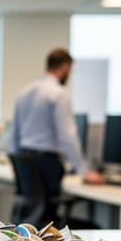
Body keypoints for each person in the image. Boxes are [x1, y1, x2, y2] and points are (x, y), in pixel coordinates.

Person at [10, 48, 105, 224]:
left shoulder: (23, 93)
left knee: (35, 213)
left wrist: (17, 164)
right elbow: (67, 135)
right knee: (47, 216)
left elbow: (14, 135)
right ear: (65, 67)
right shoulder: (59, 93)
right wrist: (83, 171)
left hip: (25, 160)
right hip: (47, 164)